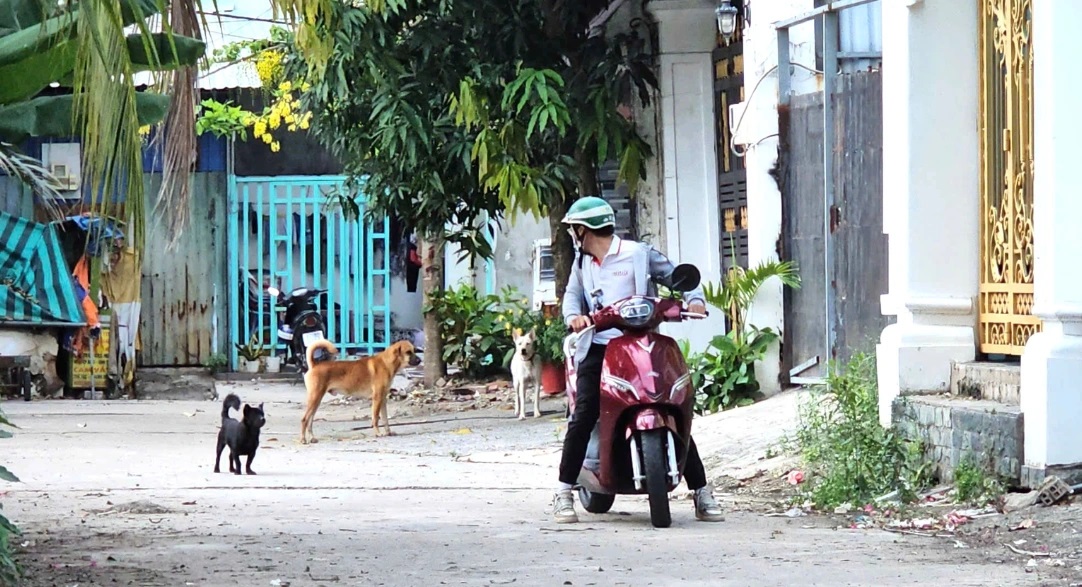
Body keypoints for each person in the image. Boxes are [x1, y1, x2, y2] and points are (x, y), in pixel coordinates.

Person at [552, 196, 724, 524]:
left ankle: (701, 492)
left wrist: (695, 300)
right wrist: (575, 317)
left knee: (672, 407)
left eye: (574, 229)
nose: (574, 235)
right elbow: (572, 298)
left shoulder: (637, 254)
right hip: (599, 347)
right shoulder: (581, 264)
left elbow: (675, 277)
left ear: (583, 230)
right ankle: (563, 492)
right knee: (585, 412)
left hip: (639, 342)